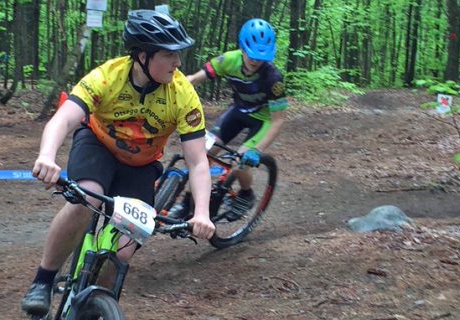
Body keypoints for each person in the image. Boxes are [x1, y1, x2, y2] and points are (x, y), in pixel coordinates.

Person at [20, 10, 215, 316]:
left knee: (123, 250)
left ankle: (96, 304)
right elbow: (64, 119)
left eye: (179, 54)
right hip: (98, 146)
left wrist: (202, 212)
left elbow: (198, 162)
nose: (178, 63)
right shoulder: (107, 76)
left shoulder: (183, 95)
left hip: (140, 164)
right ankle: (43, 280)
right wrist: (46, 156)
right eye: (169, 55)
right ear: (142, 56)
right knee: (84, 198)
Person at [176, 18, 288, 221]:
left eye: (261, 57)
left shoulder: (273, 79)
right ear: (242, 48)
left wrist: (257, 149)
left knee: (240, 160)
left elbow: (278, 119)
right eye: (251, 54)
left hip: (262, 121)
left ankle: (246, 194)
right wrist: (180, 84)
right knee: (203, 153)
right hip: (237, 112)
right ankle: (186, 203)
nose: (255, 61)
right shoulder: (229, 59)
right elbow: (196, 78)